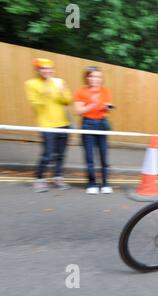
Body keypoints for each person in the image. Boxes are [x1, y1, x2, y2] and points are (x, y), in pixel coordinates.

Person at [25, 58, 72, 193]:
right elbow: (35, 104)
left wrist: (62, 91)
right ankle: (39, 179)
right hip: (46, 124)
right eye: (44, 68)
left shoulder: (59, 82)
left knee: (61, 155)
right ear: (38, 70)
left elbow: (67, 101)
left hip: (64, 123)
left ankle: (57, 177)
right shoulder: (31, 84)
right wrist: (45, 91)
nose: (47, 71)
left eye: (50, 68)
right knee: (48, 154)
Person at [74, 66, 114, 195]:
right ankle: (92, 183)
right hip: (88, 124)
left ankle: (105, 183)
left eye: (97, 76)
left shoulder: (105, 91)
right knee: (89, 156)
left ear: (101, 78)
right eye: (92, 76)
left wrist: (107, 107)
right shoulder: (81, 91)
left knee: (103, 155)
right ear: (87, 77)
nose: (95, 79)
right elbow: (78, 111)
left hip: (102, 123)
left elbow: (106, 107)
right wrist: (92, 104)